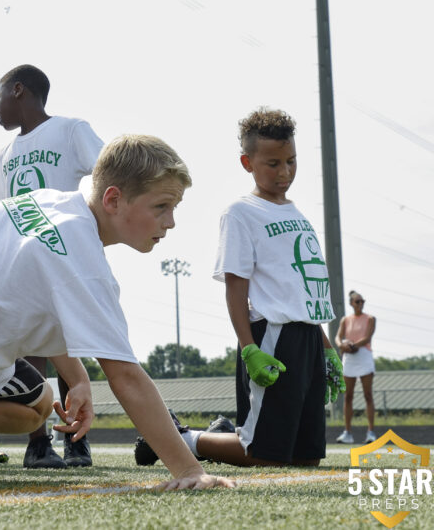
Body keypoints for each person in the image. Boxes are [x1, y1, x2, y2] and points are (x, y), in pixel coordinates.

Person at [0, 135, 233, 490]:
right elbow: (127, 377)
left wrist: (80, 380)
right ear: (114, 200)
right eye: (161, 206)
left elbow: (39, 306)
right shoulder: (83, 260)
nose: (170, 222)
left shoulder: (48, 200)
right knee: (36, 409)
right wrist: (189, 470)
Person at [137, 108, 346, 468]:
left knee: (307, 457)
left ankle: (221, 431)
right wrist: (249, 348)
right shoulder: (241, 212)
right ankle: (182, 438)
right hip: (272, 338)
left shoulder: (297, 213)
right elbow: (236, 288)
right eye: (273, 163)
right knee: (264, 456)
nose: (284, 172)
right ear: (247, 162)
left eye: (291, 161)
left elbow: (303, 292)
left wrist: (325, 347)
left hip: (308, 339)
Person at [0, 64, 104, 469]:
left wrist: (89, 227)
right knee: (29, 347)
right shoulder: (5, 153)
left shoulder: (71, 129)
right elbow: (1, 211)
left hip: (63, 254)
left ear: (18, 90)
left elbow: (105, 173)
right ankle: (37, 443)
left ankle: (77, 436)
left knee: (68, 344)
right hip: (22, 259)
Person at [335, 290, 377, 444]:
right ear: (351, 303)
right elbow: (338, 337)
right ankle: (347, 433)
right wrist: (342, 346)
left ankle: (371, 432)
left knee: (368, 395)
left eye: (362, 301)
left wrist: (352, 345)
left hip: (364, 355)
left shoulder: (370, 319)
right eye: (357, 301)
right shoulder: (345, 320)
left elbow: (367, 337)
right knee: (348, 396)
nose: (360, 304)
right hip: (349, 358)